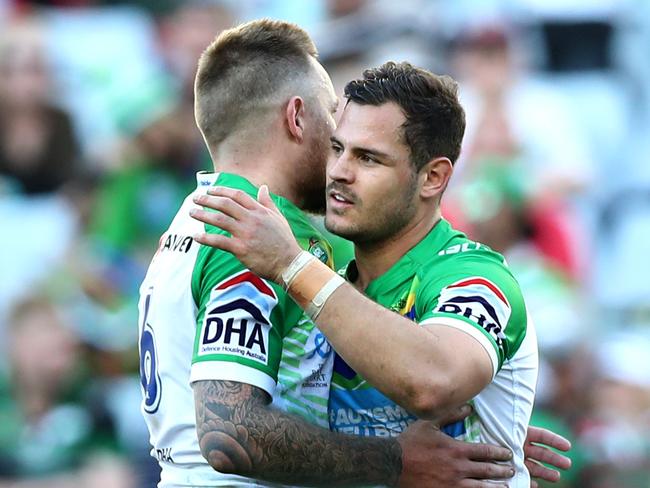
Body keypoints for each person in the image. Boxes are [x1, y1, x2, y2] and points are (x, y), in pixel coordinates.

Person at [141, 19, 568, 487]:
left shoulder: (466, 273)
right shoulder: (254, 239)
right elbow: (229, 433)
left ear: (433, 177)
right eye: (338, 143)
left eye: (368, 158)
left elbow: (430, 378)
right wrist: (395, 460)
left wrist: (485, 422)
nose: (338, 169)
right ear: (296, 117)